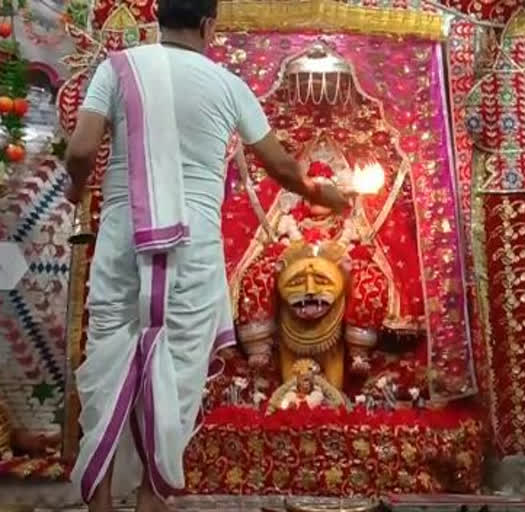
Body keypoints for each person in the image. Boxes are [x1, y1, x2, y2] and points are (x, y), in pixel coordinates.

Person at [63, 1, 351, 511]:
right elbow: (283, 168)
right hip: (192, 247)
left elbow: (82, 149)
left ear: (158, 21)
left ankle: (101, 505)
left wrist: (76, 192)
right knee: (175, 370)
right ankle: (151, 503)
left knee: (110, 361)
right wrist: (323, 196)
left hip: (123, 234)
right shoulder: (227, 85)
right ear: (208, 26)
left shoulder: (119, 67)